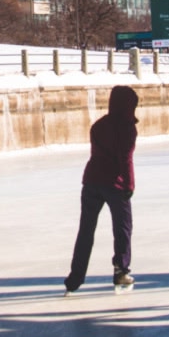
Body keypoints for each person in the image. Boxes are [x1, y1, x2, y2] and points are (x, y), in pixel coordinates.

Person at [64, 85, 139, 293]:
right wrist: (129, 184)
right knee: (123, 228)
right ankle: (121, 271)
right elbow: (126, 159)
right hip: (115, 184)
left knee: (86, 230)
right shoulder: (127, 128)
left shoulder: (98, 126)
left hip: (91, 182)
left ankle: (75, 277)